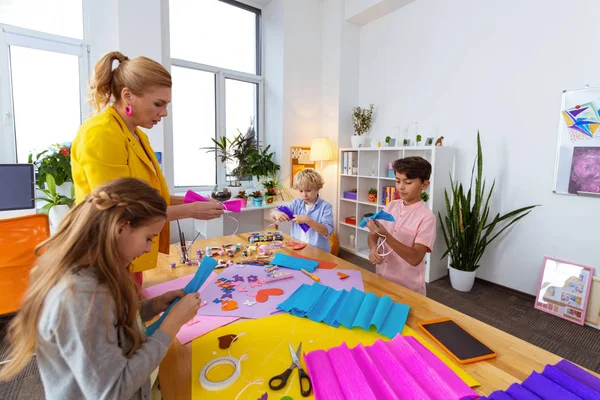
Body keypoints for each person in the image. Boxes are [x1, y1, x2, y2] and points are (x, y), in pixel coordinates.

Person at [0, 178, 201, 399]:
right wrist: (169, 328)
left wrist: (151, 306)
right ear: (121, 228)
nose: (148, 248)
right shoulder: (83, 295)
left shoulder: (97, 275)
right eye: (148, 238)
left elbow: (110, 325)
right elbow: (111, 391)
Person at [71, 51, 223, 286]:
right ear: (127, 95)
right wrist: (191, 210)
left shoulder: (137, 135)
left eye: (166, 105)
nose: (164, 113)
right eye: (158, 104)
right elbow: (121, 212)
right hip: (104, 255)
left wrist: (192, 202)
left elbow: (151, 198)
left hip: (129, 253)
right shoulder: (100, 133)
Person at [367, 157, 436, 295]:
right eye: (398, 181)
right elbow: (373, 234)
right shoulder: (391, 206)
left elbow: (415, 258)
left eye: (408, 182)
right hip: (382, 279)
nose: (401, 187)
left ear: (425, 184)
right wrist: (373, 248)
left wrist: (387, 235)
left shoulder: (427, 218)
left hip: (408, 288)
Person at [270, 169, 334, 252]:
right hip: (298, 249)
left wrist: (308, 220)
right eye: (301, 191)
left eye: (308, 191)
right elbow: (272, 213)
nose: (304, 195)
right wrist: (276, 213)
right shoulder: (296, 203)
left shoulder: (325, 207)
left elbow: (326, 232)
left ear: (318, 189)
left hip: (318, 252)